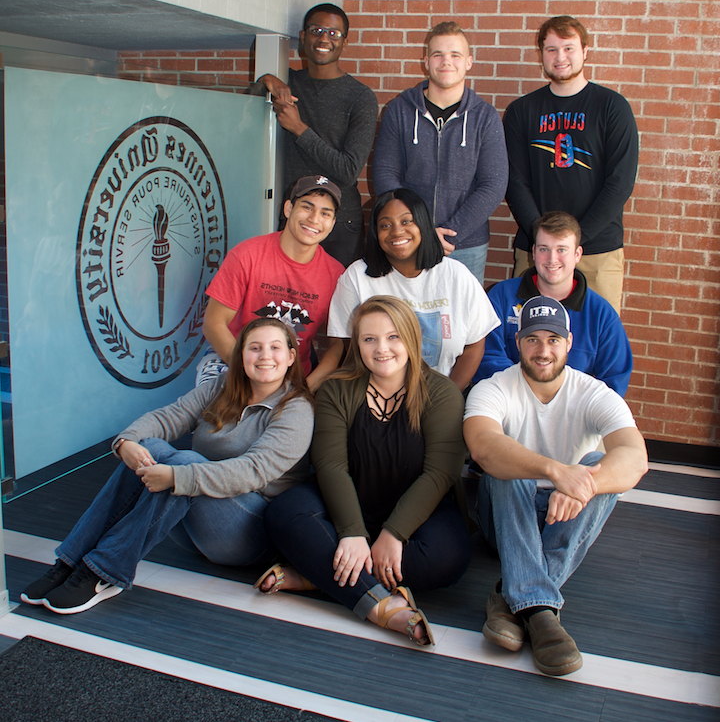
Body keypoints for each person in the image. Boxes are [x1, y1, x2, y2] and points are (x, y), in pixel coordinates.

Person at [21, 318, 315, 615]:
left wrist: (178, 476)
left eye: (275, 347)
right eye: (255, 347)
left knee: (185, 461)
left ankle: (104, 573)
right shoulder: (223, 386)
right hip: (195, 519)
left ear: (291, 357)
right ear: (241, 355)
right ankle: (69, 562)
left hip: (250, 534)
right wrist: (127, 441)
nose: (265, 356)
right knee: (150, 448)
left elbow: (253, 471)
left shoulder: (297, 409)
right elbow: (170, 416)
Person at [260, 296, 471, 646]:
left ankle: (318, 573)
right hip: (347, 502)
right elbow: (330, 464)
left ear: (411, 338)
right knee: (283, 514)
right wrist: (352, 532)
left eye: (393, 337)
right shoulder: (337, 389)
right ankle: (382, 606)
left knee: (450, 558)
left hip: (416, 511)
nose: (381, 348)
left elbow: (439, 474)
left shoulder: (442, 393)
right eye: (369, 339)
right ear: (357, 344)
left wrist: (394, 534)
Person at [464, 295, 647, 675]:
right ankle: (542, 613)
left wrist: (581, 484)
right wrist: (555, 471)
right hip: (504, 514)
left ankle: (515, 597)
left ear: (568, 342)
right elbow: (483, 446)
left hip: (563, 513)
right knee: (505, 465)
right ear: (518, 343)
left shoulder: (593, 392)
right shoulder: (493, 388)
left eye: (552, 339)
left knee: (599, 466)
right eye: (532, 339)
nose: (543, 350)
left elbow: (634, 457)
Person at [504, 15, 639, 313]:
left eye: (568, 48)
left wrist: (574, 242)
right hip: (535, 251)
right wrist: (545, 244)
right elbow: (514, 182)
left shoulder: (612, 107)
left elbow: (620, 183)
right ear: (541, 54)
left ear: (585, 50)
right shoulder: (521, 111)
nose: (560, 57)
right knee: (527, 338)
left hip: (596, 251)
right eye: (551, 49)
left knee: (595, 343)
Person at [372, 21, 508, 284]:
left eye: (455, 55)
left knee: (462, 322)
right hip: (407, 241)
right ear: (426, 61)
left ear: (468, 61)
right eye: (438, 55)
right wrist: (418, 229)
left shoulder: (485, 117)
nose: (447, 62)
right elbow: (385, 175)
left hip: (465, 245)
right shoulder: (399, 111)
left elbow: (493, 185)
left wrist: (450, 233)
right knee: (402, 318)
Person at [327, 188, 500, 391]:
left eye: (406, 221)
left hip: (441, 395)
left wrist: (448, 396)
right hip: (375, 395)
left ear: (423, 224)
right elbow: (343, 345)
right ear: (375, 232)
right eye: (385, 225)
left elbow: (474, 345)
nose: (397, 231)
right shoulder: (356, 277)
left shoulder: (457, 276)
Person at [254, 3, 378, 267]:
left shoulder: (360, 97)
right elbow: (246, 125)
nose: (324, 38)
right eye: (316, 30)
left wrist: (298, 128)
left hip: (338, 222)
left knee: (334, 302)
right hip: (291, 215)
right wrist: (264, 80)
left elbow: (348, 170)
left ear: (345, 42)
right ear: (303, 36)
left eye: (333, 33)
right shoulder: (287, 83)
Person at [197, 175, 344, 392]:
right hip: (232, 359)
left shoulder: (336, 274)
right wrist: (248, 372)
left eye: (325, 214)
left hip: (291, 374)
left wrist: (305, 390)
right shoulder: (247, 255)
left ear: (332, 223)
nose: (314, 219)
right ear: (288, 209)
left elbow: (337, 345)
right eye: (307, 207)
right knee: (215, 420)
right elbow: (213, 323)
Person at [475, 210, 632, 395]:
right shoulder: (501, 296)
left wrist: (562, 404)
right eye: (544, 249)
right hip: (509, 403)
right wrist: (527, 395)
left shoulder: (601, 314)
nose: (552, 259)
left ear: (577, 254)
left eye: (561, 250)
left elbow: (614, 380)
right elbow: (484, 357)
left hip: (573, 414)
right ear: (533, 252)